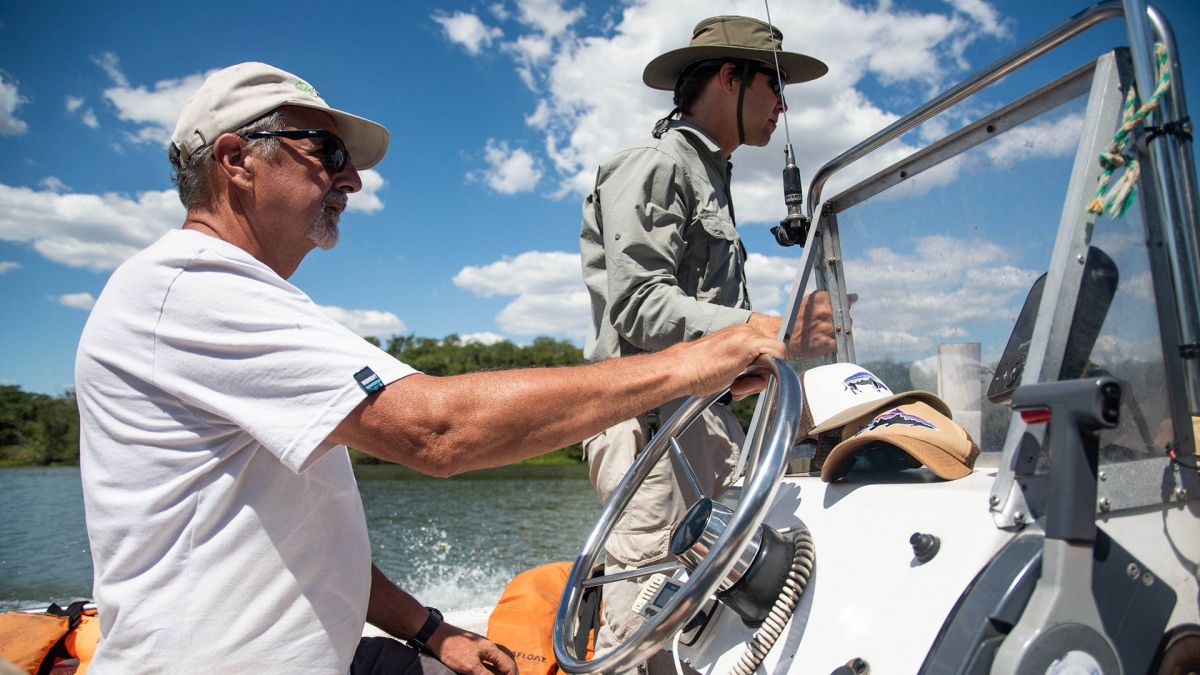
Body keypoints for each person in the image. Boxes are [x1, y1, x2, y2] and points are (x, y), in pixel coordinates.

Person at [73, 62, 786, 674]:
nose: (350, 177)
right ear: (235, 160)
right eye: (323, 148)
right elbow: (438, 432)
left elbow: (304, 539)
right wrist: (693, 362)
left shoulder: (233, 301)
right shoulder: (189, 289)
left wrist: (430, 629)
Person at [578, 16, 833, 650]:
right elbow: (637, 307)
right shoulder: (656, 165)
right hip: (648, 426)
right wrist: (769, 331)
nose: (782, 105)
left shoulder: (708, 173)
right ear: (729, 77)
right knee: (641, 629)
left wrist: (751, 369)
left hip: (699, 420)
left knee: (707, 620)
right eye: (774, 85)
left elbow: (692, 327)